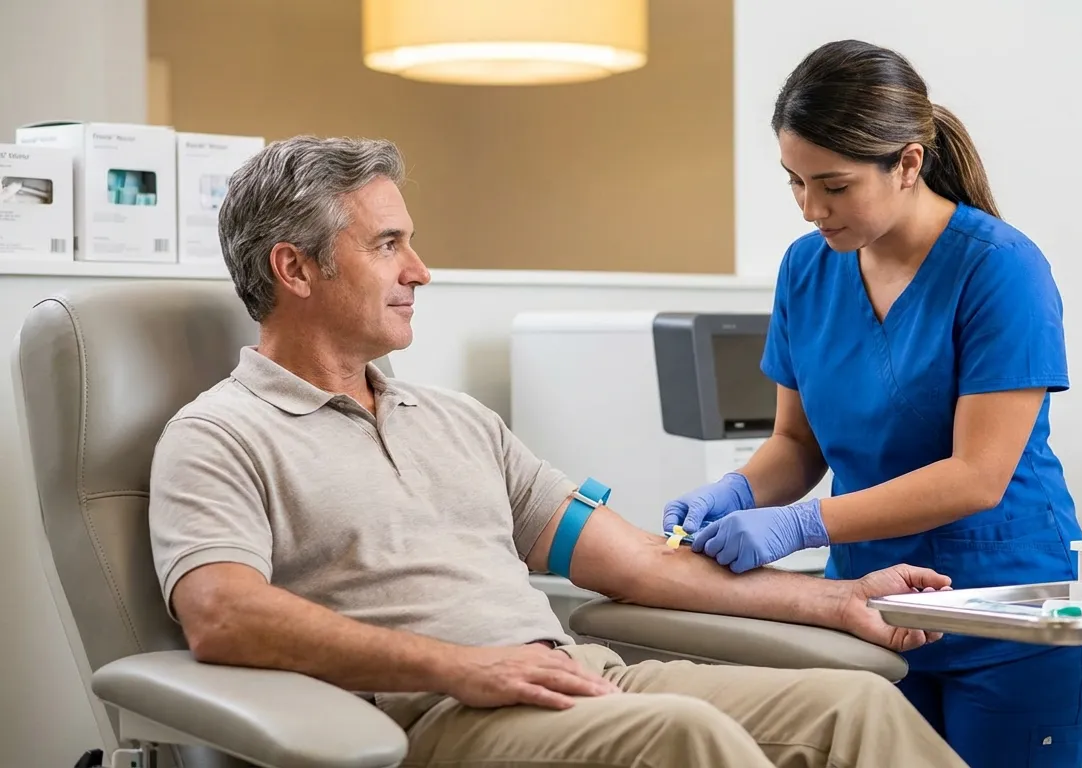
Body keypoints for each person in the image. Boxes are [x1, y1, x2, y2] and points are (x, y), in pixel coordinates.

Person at [147, 135, 970, 768]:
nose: (420, 271)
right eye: (387, 245)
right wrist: (460, 669)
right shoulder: (220, 435)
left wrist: (838, 599)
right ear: (293, 267)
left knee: (855, 710)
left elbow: (638, 563)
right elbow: (222, 616)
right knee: (681, 738)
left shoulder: (456, 421)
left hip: (582, 677)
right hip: (433, 717)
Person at [661, 40, 1082, 768]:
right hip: (868, 612)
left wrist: (800, 524)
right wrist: (736, 492)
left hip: (1005, 609)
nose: (810, 209)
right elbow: (797, 446)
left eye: (832, 185)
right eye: (794, 183)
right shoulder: (808, 269)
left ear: (906, 163)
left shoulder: (1001, 270)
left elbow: (975, 475)